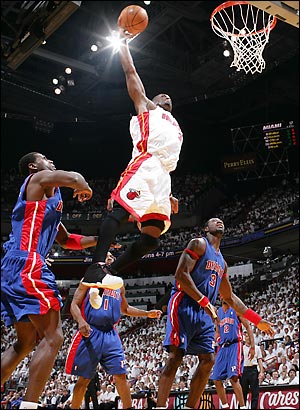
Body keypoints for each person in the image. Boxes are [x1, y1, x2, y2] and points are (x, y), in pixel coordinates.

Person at [0, 151, 119, 410]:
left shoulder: (50, 203)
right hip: (27, 263)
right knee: (53, 336)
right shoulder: (38, 179)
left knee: (25, 343)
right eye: (44, 158)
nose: (50, 161)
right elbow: (75, 178)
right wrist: (84, 186)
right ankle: (29, 406)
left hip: (16, 266)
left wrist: (99, 241)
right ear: (33, 166)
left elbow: (66, 241)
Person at [82, 26, 183, 289]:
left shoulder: (174, 124)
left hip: (162, 177)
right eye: (161, 95)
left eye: (169, 96)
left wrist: (169, 193)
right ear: (152, 99)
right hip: (145, 165)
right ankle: (95, 266)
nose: (166, 96)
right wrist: (123, 44)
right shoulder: (146, 108)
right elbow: (131, 73)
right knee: (118, 212)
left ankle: (109, 273)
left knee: (152, 237)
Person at [155, 217, 275, 409]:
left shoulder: (222, 263)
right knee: (175, 357)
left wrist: (257, 320)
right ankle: (160, 406)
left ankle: (189, 407)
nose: (219, 222)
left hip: (205, 312)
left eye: (221, 221)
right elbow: (181, 275)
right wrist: (204, 302)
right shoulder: (198, 244)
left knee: (208, 360)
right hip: (184, 304)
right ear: (206, 228)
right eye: (214, 220)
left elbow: (229, 297)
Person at [65, 252, 162, 410]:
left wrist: (146, 314)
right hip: (91, 331)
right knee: (84, 380)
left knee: (120, 375)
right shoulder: (89, 278)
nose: (111, 258)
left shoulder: (119, 285)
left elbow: (125, 308)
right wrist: (81, 321)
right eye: (107, 256)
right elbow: (74, 304)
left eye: (112, 257)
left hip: (111, 333)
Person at [211, 300, 255, 410]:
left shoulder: (236, 310)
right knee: (216, 379)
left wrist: (252, 347)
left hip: (235, 345)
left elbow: (248, 327)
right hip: (223, 347)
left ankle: (243, 407)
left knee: (233, 378)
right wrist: (217, 337)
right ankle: (225, 406)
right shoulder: (218, 312)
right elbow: (217, 331)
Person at [240, 330, 264, 409]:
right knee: (243, 392)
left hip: (253, 370)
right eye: (246, 336)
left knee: (255, 392)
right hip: (244, 370)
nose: (248, 338)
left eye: (250, 337)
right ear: (244, 338)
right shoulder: (241, 348)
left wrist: (261, 372)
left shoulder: (256, 348)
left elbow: (260, 360)